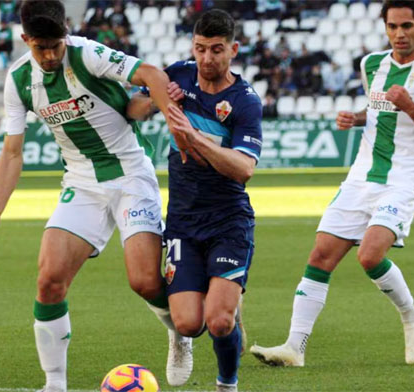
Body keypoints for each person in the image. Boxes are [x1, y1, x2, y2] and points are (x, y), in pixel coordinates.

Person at [0, 1, 193, 391]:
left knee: (143, 281)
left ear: (66, 32)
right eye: (41, 48)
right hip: (81, 184)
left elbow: (152, 75)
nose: (51, 55)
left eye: (56, 44)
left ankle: (178, 333)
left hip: (130, 176)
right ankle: (55, 383)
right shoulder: (19, 80)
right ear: (26, 40)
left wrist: (178, 129)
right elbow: (12, 152)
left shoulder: (87, 54)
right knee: (49, 280)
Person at [250, 0, 414, 368]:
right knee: (320, 257)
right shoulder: (372, 65)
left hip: (403, 179)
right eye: (392, 26)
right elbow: (381, 113)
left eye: (407, 26)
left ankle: (412, 318)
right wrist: (357, 117)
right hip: (361, 176)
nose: (399, 34)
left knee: (370, 255)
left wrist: (411, 107)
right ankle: (294, 347)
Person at [126, 9, 262, 392]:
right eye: (200, 49)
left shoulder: (245, 102)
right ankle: (184, 336)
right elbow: (132, 110)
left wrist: (191, 134)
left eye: (216, 50)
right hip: (183, 222)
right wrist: (158, 99)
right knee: (188, 322)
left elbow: (243, 169)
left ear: (233, 50)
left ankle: (227, 384)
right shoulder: (179, 75)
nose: (207, 59)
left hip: (228, 221)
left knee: (219, 321)